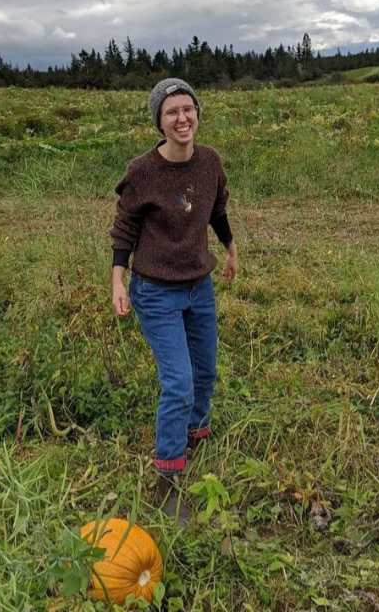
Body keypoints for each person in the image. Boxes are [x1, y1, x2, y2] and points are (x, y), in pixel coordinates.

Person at [110, 78, 238, 525]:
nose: (182, 118)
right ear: (159, 122)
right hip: (155, 289)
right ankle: (167, 480)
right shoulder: (143, 171)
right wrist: (118, 280)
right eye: (171, 112)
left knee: (205, 372)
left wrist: (230, 247)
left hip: (197, 284)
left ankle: (194, 437)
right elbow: (124, 226)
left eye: (188, 109)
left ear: (197, 113)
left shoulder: (209, 162)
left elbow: (216, 208)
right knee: (180, 382)